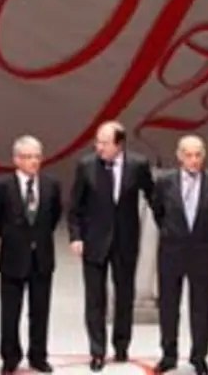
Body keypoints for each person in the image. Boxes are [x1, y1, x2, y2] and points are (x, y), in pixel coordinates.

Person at [67, 120, 155, 371]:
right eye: (98, 141)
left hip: (125, 240)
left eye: (105, 142)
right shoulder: (86, 166)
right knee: (95, 298)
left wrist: (169, 223)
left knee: (124, 295)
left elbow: (153, 196)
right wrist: (76, 236)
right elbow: (75, 207)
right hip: (94, 240)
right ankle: (97, 350)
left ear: (119, 144)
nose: (99, 146)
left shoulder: (138, 165)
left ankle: (121, 345)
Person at [151, 135, 208, 375]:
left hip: (203, 251)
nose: (193, 160)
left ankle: (199, 356)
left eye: (198, 155)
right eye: (189, 155)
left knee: (201, 306)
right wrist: (173, 232)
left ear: (204, 156)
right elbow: (158, 211)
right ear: (179, 156)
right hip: (171, 251)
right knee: (168, 305)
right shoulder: (164, 183)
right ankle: (169, 354)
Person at [0, 136, 62, 374]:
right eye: (27, 157)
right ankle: (10, 357)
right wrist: (14, 237)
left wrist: (36, 239)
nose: (33, 162)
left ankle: (38, 355)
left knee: (40, 311)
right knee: (10, 312)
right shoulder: (1, 186)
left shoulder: (51, 185)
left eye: (36, 157)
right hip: (12, 257)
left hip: (42, 257)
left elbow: (53, 216)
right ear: (16, 160)